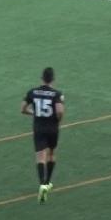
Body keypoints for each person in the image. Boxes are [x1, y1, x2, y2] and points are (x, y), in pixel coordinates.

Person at [22, 67, 65, 203]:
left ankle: (42, 184)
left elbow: (22, 109)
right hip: (52, 128)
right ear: (53, 79)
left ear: (41, 78)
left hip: (39, 128)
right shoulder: (57, 94)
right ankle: (47, 182)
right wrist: (58, 119)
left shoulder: (32, 92)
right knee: (51, 153)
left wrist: (34, 113)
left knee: (40, 157)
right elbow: (59, 111)